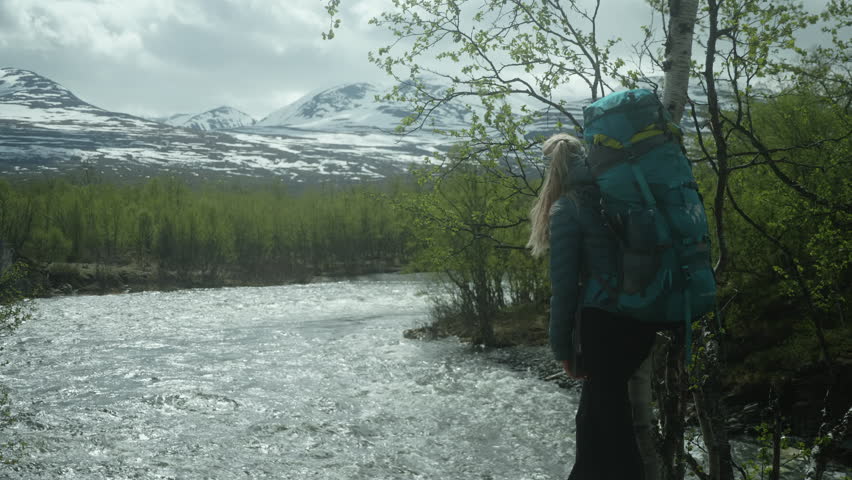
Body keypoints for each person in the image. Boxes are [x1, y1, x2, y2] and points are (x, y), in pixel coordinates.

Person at [527, 132, 658, 480]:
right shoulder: (615, 191)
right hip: (642, 319)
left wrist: (562, 350)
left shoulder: (567, 207)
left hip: (605, 329)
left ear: (551, 170)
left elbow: (565, 288)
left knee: (600, 428)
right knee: (605, 422)